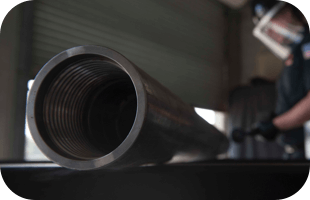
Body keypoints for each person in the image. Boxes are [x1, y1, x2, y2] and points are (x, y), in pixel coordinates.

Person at [250, 0, 310, 159]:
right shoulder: (294, 52)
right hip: (294, 153)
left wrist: (276, 125)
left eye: (271, 22)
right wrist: (275, 118)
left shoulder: (307, 44)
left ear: (287, 11)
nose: (270, 33)